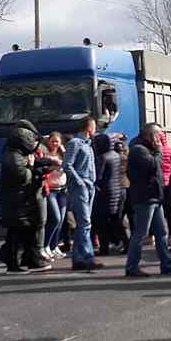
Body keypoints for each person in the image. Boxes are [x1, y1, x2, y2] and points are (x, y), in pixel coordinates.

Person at [124, 123, 171, 277]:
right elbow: (152, 166)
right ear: (151, 135)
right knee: (141, 233)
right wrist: (158, 151)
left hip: (154, 197)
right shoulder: (139, 150)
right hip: (145, 198)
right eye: (158, 135)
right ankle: (131, 267)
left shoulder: (147, 149)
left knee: (162, 232)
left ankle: (166, 265)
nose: (160, 139)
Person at [0, 120, 53, 274]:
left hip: (21, 199)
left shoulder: (16, 153)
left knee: (25, 230)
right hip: (16, 200)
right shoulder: (14, 156)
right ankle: (12, 262)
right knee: (18, 231)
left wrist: (37, 165)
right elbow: (22, 176)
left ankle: (28, 260)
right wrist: (32, 168)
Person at [63, 116, 103, 272]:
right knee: (85, 222)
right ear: (88, 127)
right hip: (81, 187)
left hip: (90, 186)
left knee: (84, 225)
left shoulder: (88, 144)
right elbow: (67, 165)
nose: (95, 129)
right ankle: (88, 257)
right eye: (94, 126)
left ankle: (77, 259)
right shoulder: (75, 143)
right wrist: (79, 181)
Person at [92, 133, 125, 256]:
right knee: (116, 220)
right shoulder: (116, 155)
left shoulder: (103, 158)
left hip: (105, 192)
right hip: (117, 190)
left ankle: (104, 248)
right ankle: (126, 243)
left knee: (101, 221)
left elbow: (98, 176)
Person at [42, 132, 69, 259]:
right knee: (55, 218)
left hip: (62, 190)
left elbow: (69, 164)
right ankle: (46, 245)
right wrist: (53, 166)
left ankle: (54, 246)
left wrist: (63, 151)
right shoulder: (45, 154)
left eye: (57, 141)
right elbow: (42, 168)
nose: (54, 144)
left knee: (61, 220)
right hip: (50, 190)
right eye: (52, 141)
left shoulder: (62, 154)